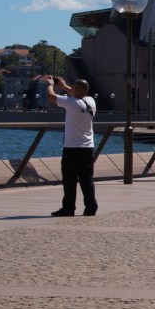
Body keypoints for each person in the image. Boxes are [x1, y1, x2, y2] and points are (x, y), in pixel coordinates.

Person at [46, 76, 98, 216]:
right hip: (88, 147)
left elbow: (51, 96)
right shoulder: (91, 101)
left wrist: (51, 84)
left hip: (72, 148)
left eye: (72, 88)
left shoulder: (71, 103)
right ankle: (91, 207)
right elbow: (79, 94)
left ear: (75, 90)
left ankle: (68, 208)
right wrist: (64, 86)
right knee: (87, 179)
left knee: (70, 180)